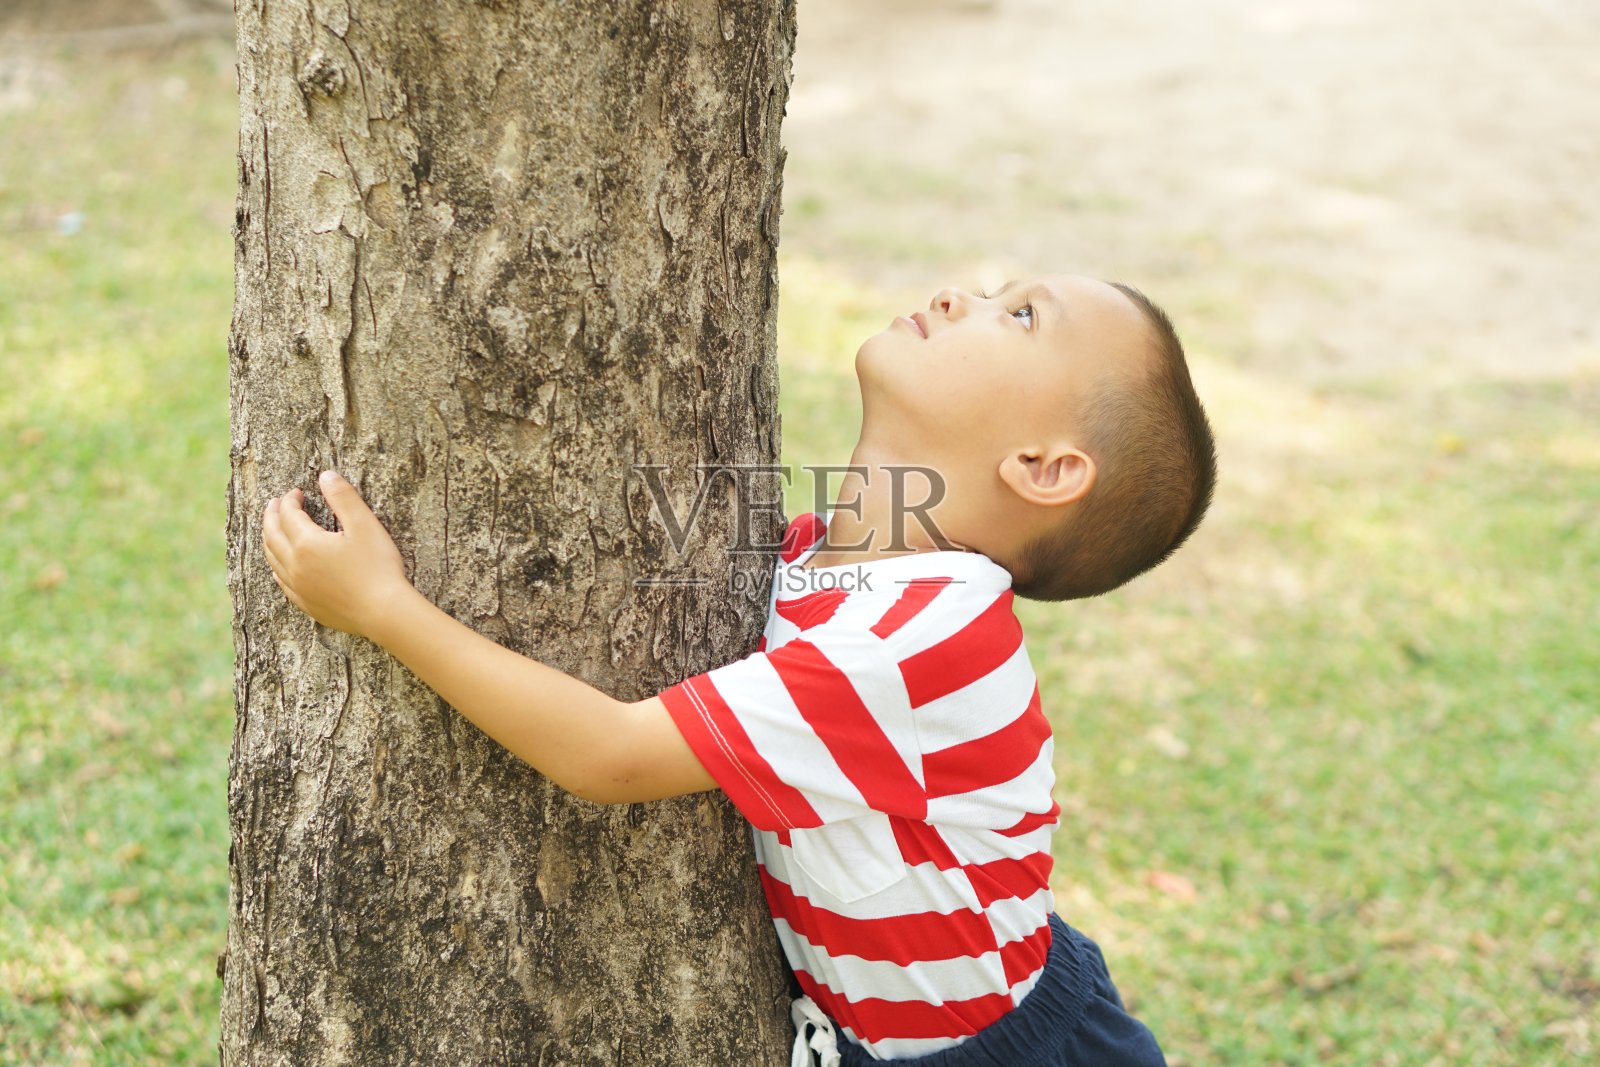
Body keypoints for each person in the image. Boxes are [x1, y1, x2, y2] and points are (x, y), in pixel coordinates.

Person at [262, 273, 1217, 1066]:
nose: (959, 294)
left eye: (1021, 314)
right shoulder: (812, 562)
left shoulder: (922, 639)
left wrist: (383, 607)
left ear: (1044, 466)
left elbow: (612, 755)